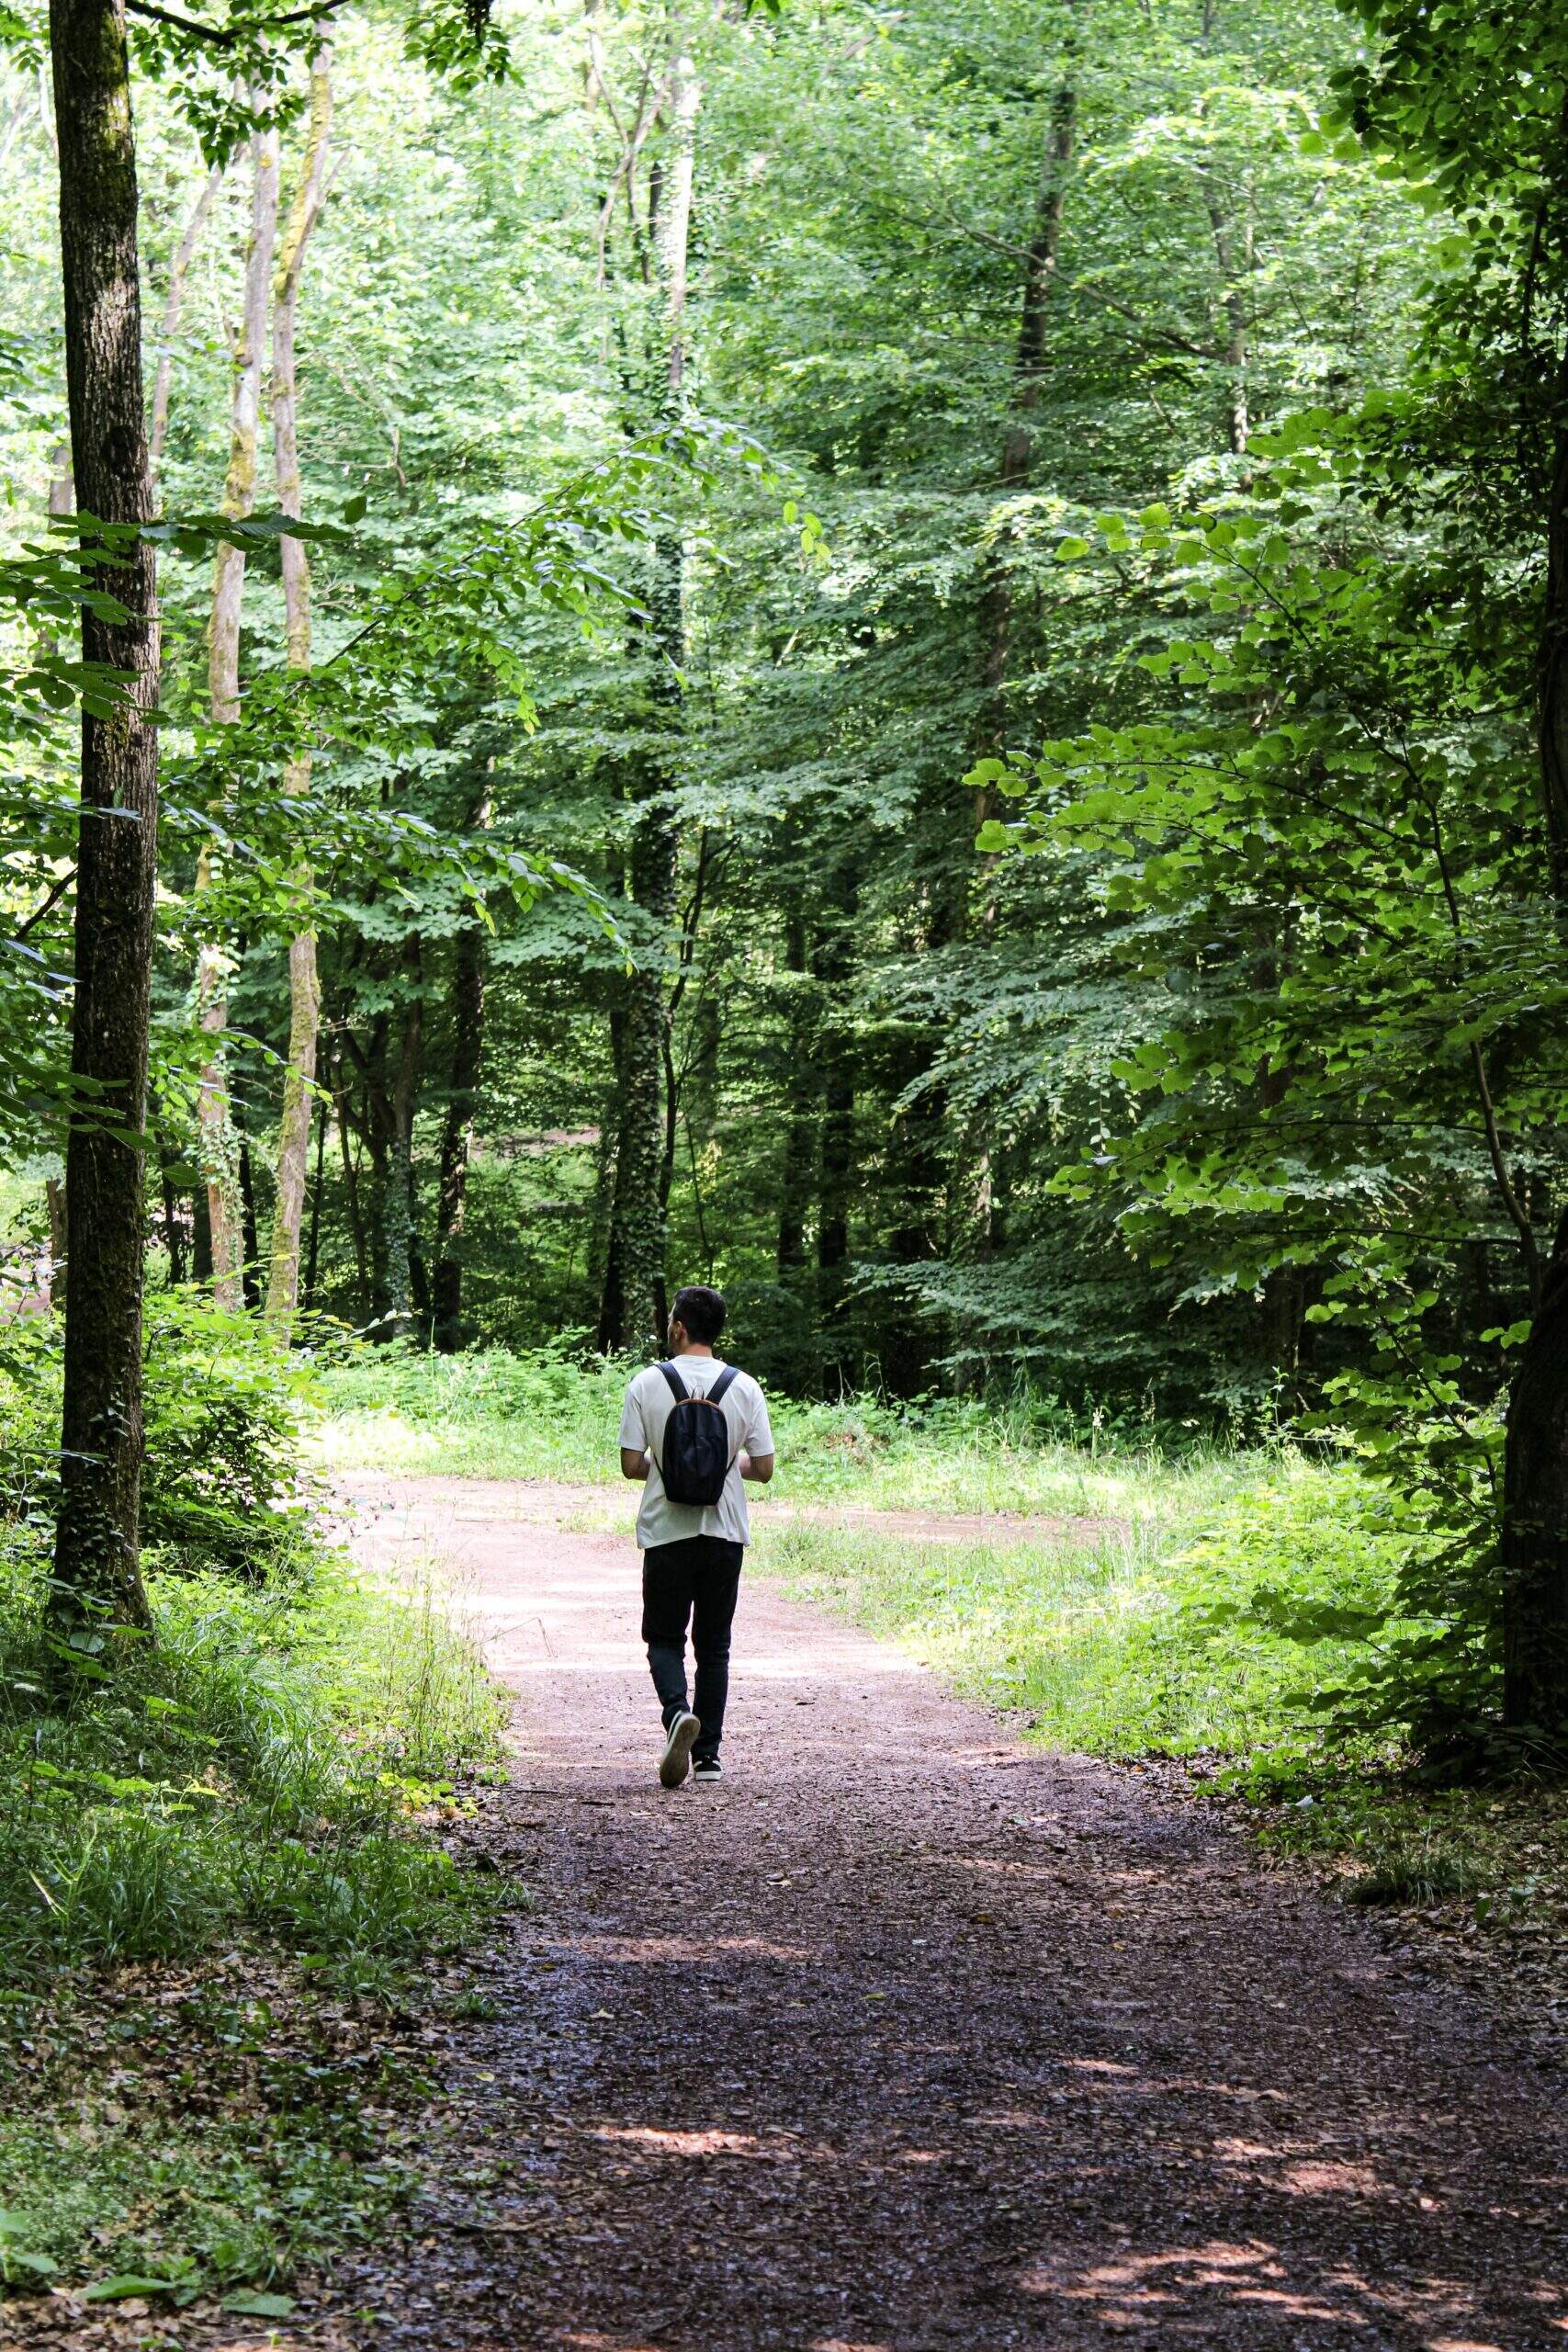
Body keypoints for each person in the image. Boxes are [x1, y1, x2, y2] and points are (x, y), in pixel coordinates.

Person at [618, 1283, 774, 1787]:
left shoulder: (646, 1383)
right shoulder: (744, 1387)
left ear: (679, 1328)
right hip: (724, 1531)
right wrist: (728, 1462)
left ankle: (675, 1716)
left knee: (663, 1638)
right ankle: (707, 1757)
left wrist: (668, 1464)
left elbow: (629, 1465)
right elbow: (765, 1468)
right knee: (714, 1645)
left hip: (666, 1532)